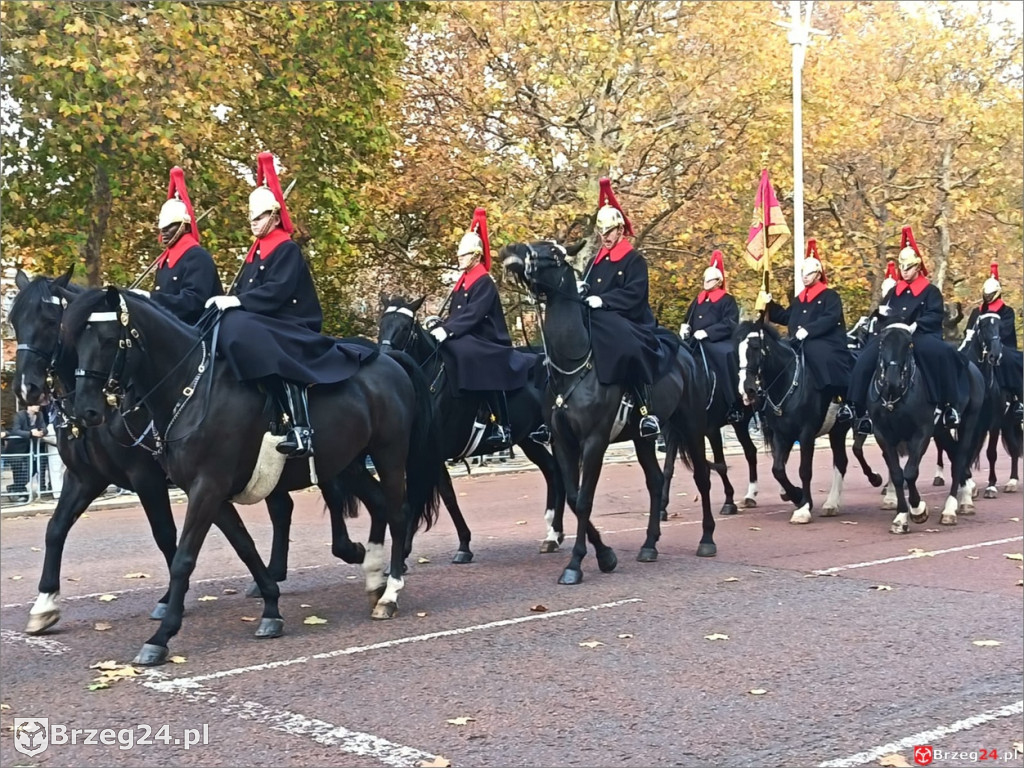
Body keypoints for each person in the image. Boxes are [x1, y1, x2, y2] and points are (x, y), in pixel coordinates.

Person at [206, 151, 376, 458]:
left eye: (258, 217)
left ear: (273, 216)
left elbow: (277, 292)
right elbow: (247, 292)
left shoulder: (286, 249)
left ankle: (300, 427)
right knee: (218, 325)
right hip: (264, 319)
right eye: (251, 218)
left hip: (292, 321)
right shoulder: (255, 253)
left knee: (243, 328)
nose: (253, 223)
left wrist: (237, 301)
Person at [425, 207, 533, 452]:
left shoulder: (484, 281)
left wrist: (449, 331)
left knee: (466, 354)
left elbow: (474, 314)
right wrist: (439, 324)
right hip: (468, 334)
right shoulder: (463, 281)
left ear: (475, 257)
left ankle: (500, 423)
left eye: (463, 256)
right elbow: (457, 314)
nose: (459, 259)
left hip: (488, 339)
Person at [571, 178, 671, 440]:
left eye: (609, 231)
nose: (604, 237)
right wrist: (581, 292)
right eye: (601, 232)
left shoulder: (633, 259)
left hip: (630, 320)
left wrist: (604, 301)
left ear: (620, 231)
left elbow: (635, 294)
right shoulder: (594, 262)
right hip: (597, 318)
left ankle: (644, 408)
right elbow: (589, 288)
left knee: (627, 346)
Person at [846, 226, 970, 435]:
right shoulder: (894, 291)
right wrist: (878, 318)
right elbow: (881, 313)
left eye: (909, 267)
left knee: (943, 353)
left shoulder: (930, 291)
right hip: (893, 336)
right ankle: (856, 407)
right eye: (902, 267)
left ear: (918, 267)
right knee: (865, 356)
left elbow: (935, 314)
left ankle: (949, 406)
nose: (904, 270)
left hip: (919, 335)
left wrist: (916, 325)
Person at [757, 239, 855, 422]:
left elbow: (830, 319)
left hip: (825, 341)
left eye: (809, 274)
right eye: (803, 274)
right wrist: (769, 303)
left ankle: (842, 400)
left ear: (818, 274)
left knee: (819, 354)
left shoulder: (830, 296)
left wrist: (809, 330)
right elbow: (787, 317)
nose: (805, 277)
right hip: (797, 340)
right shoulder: (800, 298)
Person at [131, 167, 223, 325]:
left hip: (195, 329)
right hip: (170, 326)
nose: (164, 232)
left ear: (185, 227)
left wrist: (150, 298)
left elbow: (193, 301)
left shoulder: (197, 257)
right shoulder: (166, 260)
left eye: (170, 227)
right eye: (162, 228)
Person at [679, 250, 744, 423]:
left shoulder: (727, 300)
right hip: (695, 340)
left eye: (709, 280)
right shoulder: (698, 299)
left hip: (718, 341)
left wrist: (708, 332)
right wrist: (685, 327)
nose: (705, 283)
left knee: (727, 355)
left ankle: (734, 402)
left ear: (718, 281)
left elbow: (730, 323)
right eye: (704, 280)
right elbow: (689, 317)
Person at [961, 261, 1023, 421]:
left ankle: (1017, 399)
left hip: (1002, 345)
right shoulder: (977, 312)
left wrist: (992, 340)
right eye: (986, 294)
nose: (988, 297)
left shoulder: (1007, 311)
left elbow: (1005, 330)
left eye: (991, 294)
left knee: (1012, 362)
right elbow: (969, 331)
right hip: (980, 347)